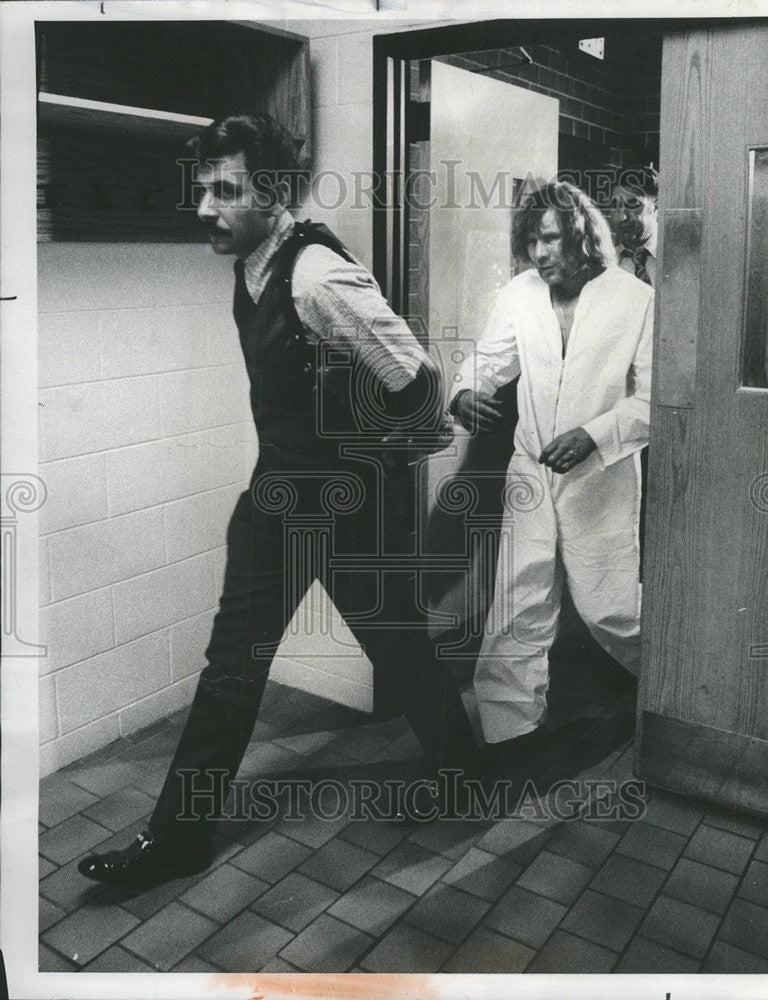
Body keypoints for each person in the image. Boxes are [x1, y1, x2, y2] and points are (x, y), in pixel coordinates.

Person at [77, 112, 478, 886]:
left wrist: (373, 458)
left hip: (340, 507)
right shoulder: (251, 266)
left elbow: (419, 382)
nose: (205, 209)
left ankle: (463, 772)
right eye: (204, 191)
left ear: (275, 192)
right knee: (233, 665)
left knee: (394, 642)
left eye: (226, 191)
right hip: (275, 502)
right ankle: (182, 837)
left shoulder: (317, 275)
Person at [449, 180, 653, 753]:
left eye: (551, 240)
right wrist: (464, 391)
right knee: (518, 601)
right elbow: (486, 360)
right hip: (531, 471)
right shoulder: (520, 293)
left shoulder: (634, 299)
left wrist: (593, 435)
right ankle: (509, 736)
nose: (540, 255)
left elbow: (656, 399)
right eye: (532, 242)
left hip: (601, 476)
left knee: (611, 610)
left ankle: (678, 694)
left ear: (583, 237)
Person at [610, 164, 658, 287]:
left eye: (632, 205)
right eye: (615, 206)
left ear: (656, 208)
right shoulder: (604, 263)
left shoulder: (677, 256)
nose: (622, 217)